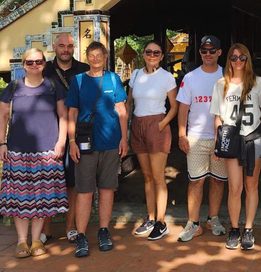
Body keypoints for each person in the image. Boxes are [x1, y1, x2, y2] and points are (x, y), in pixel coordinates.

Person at [0, 48, 68, 258]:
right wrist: (2, 143)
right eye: (30, 62)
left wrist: (61, 141)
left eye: (38, 62)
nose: (35, 65)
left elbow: (63, 115)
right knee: (20, 198)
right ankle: (21, 241)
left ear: (44, 64)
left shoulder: (53, 86)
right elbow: (2, 117)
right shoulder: (14, 87)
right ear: (23, 64)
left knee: (42, 198)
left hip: (47, 150)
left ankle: (36, 239)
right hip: (18, 150)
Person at [66, 41, 128, 258]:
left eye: (98, 55)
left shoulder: (113, 79)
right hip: (85, 144)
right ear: (87, 57)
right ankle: (81, 235)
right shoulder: (79, 80)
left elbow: (121, 110)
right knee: (84, 191)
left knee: (107, 189)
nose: (95, 59)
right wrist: (71, 141)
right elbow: (72, 113)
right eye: (91, 55)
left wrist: (124, 139)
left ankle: (104, 230)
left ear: (105, 56)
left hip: (110, 142)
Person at [210, 43, 261, 251]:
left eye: (242, 57)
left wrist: (251, 130)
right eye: (233, 57)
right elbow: (218, 116)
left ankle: (249, 228)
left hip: (254, 138)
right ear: (228, 60)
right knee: (235, 187)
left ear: (248, 59)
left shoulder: (258, 83)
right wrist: (220, 142)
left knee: (251, 186)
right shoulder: (221, 84)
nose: (237, 61)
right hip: (232, 139)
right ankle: (235, 228)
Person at [175, 35, 227, 242]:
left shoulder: (227, 75)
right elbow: (183, 109)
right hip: (195, 137)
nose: (208, 54)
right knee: (195, 181)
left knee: (218, 181)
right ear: (200, 53)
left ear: (219, 53)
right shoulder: (190, 78)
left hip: (221, 137)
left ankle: (212, 218)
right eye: (204, 51)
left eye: (212, 51)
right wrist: (181, 134)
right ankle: (193, 223)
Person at [128, 40, 179, 240]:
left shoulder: (166, 77)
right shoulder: (136, 75)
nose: (152, 55)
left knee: (158, 177)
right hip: (138, 125)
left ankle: (161, 221)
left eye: (156, 52)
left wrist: (161, 123)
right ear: (144, 54)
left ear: (161, 56)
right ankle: (150, 217)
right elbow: (129, 101)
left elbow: (174, 106)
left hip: (157, 124)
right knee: (147, 176)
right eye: (148, 51)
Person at [43, 33, 89, 243]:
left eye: (69, 46)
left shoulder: (83, 70)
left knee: (73, 182)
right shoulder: (44, 70)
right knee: (47, 181)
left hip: (76, 133)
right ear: (54, 47)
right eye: (61, 46)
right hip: (47, 132)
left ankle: (70, 226)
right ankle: (45, 229)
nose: (65, 50)